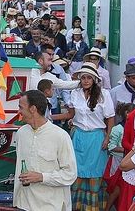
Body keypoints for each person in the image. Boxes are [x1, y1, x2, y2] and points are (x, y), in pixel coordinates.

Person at [51, 63, 114, 210]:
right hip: (79, 136)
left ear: (94, 79)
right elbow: (70, 115)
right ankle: (77, 206)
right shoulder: (75, 94)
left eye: (89, 78)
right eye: (83, 77)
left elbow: (110, 118)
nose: (85, 80)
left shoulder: (104, 95)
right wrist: (49, 117)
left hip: (96, 138)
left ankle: (93, 207)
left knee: (95, 172)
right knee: (77, 170)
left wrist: (107, 138)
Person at [13, 90, 77, 211]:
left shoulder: (60, 136)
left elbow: (70, 174)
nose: (19, 111)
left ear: (33, 109)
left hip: (51, 206)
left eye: (21, 107)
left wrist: (41, 177)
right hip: (24, 204)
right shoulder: (21, 133)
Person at [103, 103, 134, 211]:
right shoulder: (118, 129)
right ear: (127, 114)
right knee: (116, 188)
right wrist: (129, 150)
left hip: (130, 162)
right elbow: (111, 146)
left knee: (123, 188)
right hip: (117, 161)